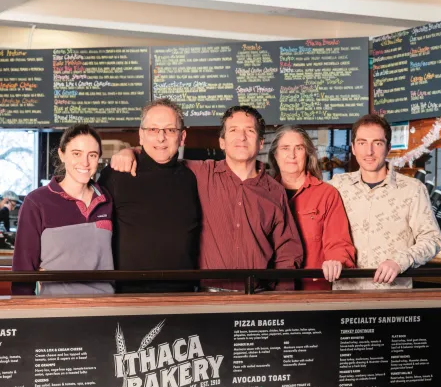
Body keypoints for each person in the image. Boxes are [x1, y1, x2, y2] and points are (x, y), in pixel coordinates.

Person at [111, 103, 303, 290]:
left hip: (257, 296)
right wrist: (130, 151)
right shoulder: (201, 173)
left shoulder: (275, 191)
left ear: (261, 142)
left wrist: (281, 296)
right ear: (221, 141)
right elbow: (162, 155)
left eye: (250, 131)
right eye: (233, 130)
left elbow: (287, 250)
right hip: (209, 298)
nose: (241, 137)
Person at [98, 99, 201, 293]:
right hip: (128, 297)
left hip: (184, 297)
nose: (161, 138)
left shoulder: (193, 177)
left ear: (182, 136)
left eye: (170, 130)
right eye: (153, 130)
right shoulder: (117, 174)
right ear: (141, 135)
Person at [330, 113, 441, 289]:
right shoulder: (336, 187)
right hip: (346, 296)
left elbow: (432, 239)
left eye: (377, 143)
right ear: (353, 147)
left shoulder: (412, 189)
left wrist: (400, 261)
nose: (369, 151)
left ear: (388, 147)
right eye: (362, 143)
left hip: (393, 297)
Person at [12, 124, 114, 296]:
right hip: (56, 310)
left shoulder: (107, 200)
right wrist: (23, 312)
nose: (85, 162)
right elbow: (23, 267)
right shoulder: (36, 202)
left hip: (104, 307)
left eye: (92, 155)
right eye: (77, 153)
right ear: (62, 154)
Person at [268, 125, 355, 290]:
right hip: (272, 290)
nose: (292, 155)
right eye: (285, 148)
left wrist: (337, 261)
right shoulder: (263, 194)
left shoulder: (327, 194)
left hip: (314, 289)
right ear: (275, 154)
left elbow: (338, 243)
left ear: (307, 154)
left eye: (298, 148)